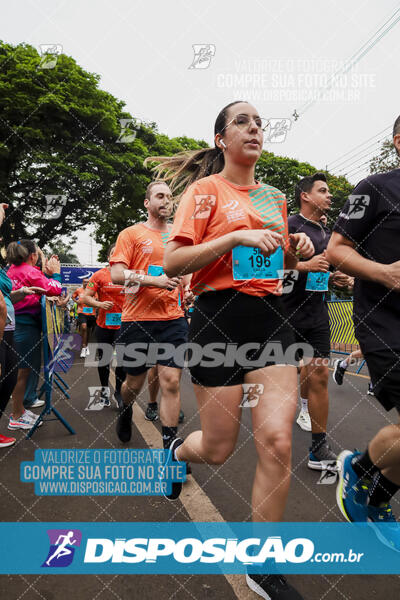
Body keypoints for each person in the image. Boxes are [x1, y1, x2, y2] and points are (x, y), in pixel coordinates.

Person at [150, 101, 314, 599]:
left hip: (271, 321)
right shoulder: (204, 192)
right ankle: (176, 450)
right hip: (218, 322)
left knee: (278, 443)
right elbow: (175, 262)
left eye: (259, 122)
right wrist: (234, 235)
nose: (254, 128)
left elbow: (276, 258)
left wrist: (296, 250)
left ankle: (260, 565)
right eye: (242, 121)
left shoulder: (274, 197)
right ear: (221, 138)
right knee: (218, 449)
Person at [327, 114, 400, 549]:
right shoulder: (374, 188)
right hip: (386, 322)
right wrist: (384, 274)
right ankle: (360, 471)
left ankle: (373, 496)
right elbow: (337, 251)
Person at [110, 181, 189, 456]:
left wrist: (189, 290)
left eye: (169, 196)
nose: (166, 201)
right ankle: (126, 406)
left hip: (172, 319)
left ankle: (170, 449)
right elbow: (117, 275)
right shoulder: (131, 234)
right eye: (160, 196)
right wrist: (155, 281)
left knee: (171, 381)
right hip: (137, 320)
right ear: (147, 203)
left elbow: (186, 271)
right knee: (134, 383)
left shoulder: (179, 237)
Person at [282, 173, 351, 469]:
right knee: (283, 383)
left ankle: (317, 448)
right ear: (305, 196)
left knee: (319, 375)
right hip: (284, 314)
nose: (330, 196)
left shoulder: (328, 234)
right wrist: (304, 266)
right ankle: (275, 440)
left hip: (317, 315)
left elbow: (323, 272)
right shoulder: (288, 226)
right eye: (323, 191)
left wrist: (338, 278)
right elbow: (269, 272)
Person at [6, 240, 62, 430]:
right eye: (38, 253)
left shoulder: (11, 270)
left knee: (21, 369)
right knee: (22, 371)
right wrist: (56, 274)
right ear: (33, 256)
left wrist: (46, 275)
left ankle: (20, 409)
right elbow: (54, 288)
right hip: (26, 325)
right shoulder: (28, 271)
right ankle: (15, 415)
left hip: (15, 325)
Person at [81, 244, 126, 408]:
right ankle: (105, 391)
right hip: (104, 325)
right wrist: (99, 304)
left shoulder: (129, 275)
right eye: (113, 253)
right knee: (104, 360)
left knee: (123, 360)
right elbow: (86, 297)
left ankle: (119, 392)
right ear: (109, 257)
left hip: (123, 324)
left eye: (119, 253)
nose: (117, 256)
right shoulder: (99, 275)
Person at [72, 279, 97, 358]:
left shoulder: (93, 291)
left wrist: (93, 301)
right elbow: (73, 297)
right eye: (85, 282)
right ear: (82, 283)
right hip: (82, 312)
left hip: (91, 313)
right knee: (84, 327)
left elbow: (96, 299)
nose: (86, 283)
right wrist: (76, 301)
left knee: (88, 331)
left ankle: (86, 346)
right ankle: (83, 348)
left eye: (88, 282)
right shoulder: (78, 290)